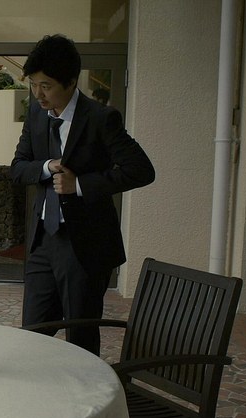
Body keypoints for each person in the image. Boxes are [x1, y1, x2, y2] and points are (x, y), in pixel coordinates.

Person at [10, 34, 155, 356]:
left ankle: (85, 387)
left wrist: (79, 184)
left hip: (85, 245)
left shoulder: (101, 118)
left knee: (80, 336)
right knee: (32, 334)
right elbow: (18, 168)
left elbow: (142, 170)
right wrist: (47, 166)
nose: (38, 94)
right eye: (33, 84)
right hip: (42, 242)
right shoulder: (36, 114)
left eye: (46, 86)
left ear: (72, 81)